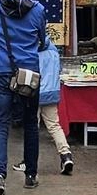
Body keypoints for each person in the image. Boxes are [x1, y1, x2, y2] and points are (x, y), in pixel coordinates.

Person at [0, 0, 47, 195]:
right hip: (29, 72)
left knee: (1, 123)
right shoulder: (39, 9)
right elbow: (42, 40)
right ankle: (30, 174)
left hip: (4, 69)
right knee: (31, 123)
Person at [37, 37, 73, 174]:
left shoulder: (31, 50)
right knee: (54, 125)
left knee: (32, 128)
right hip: (51, 92)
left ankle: (28, 160)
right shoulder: (53, 50)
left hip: (34, 92)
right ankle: (66, 154)